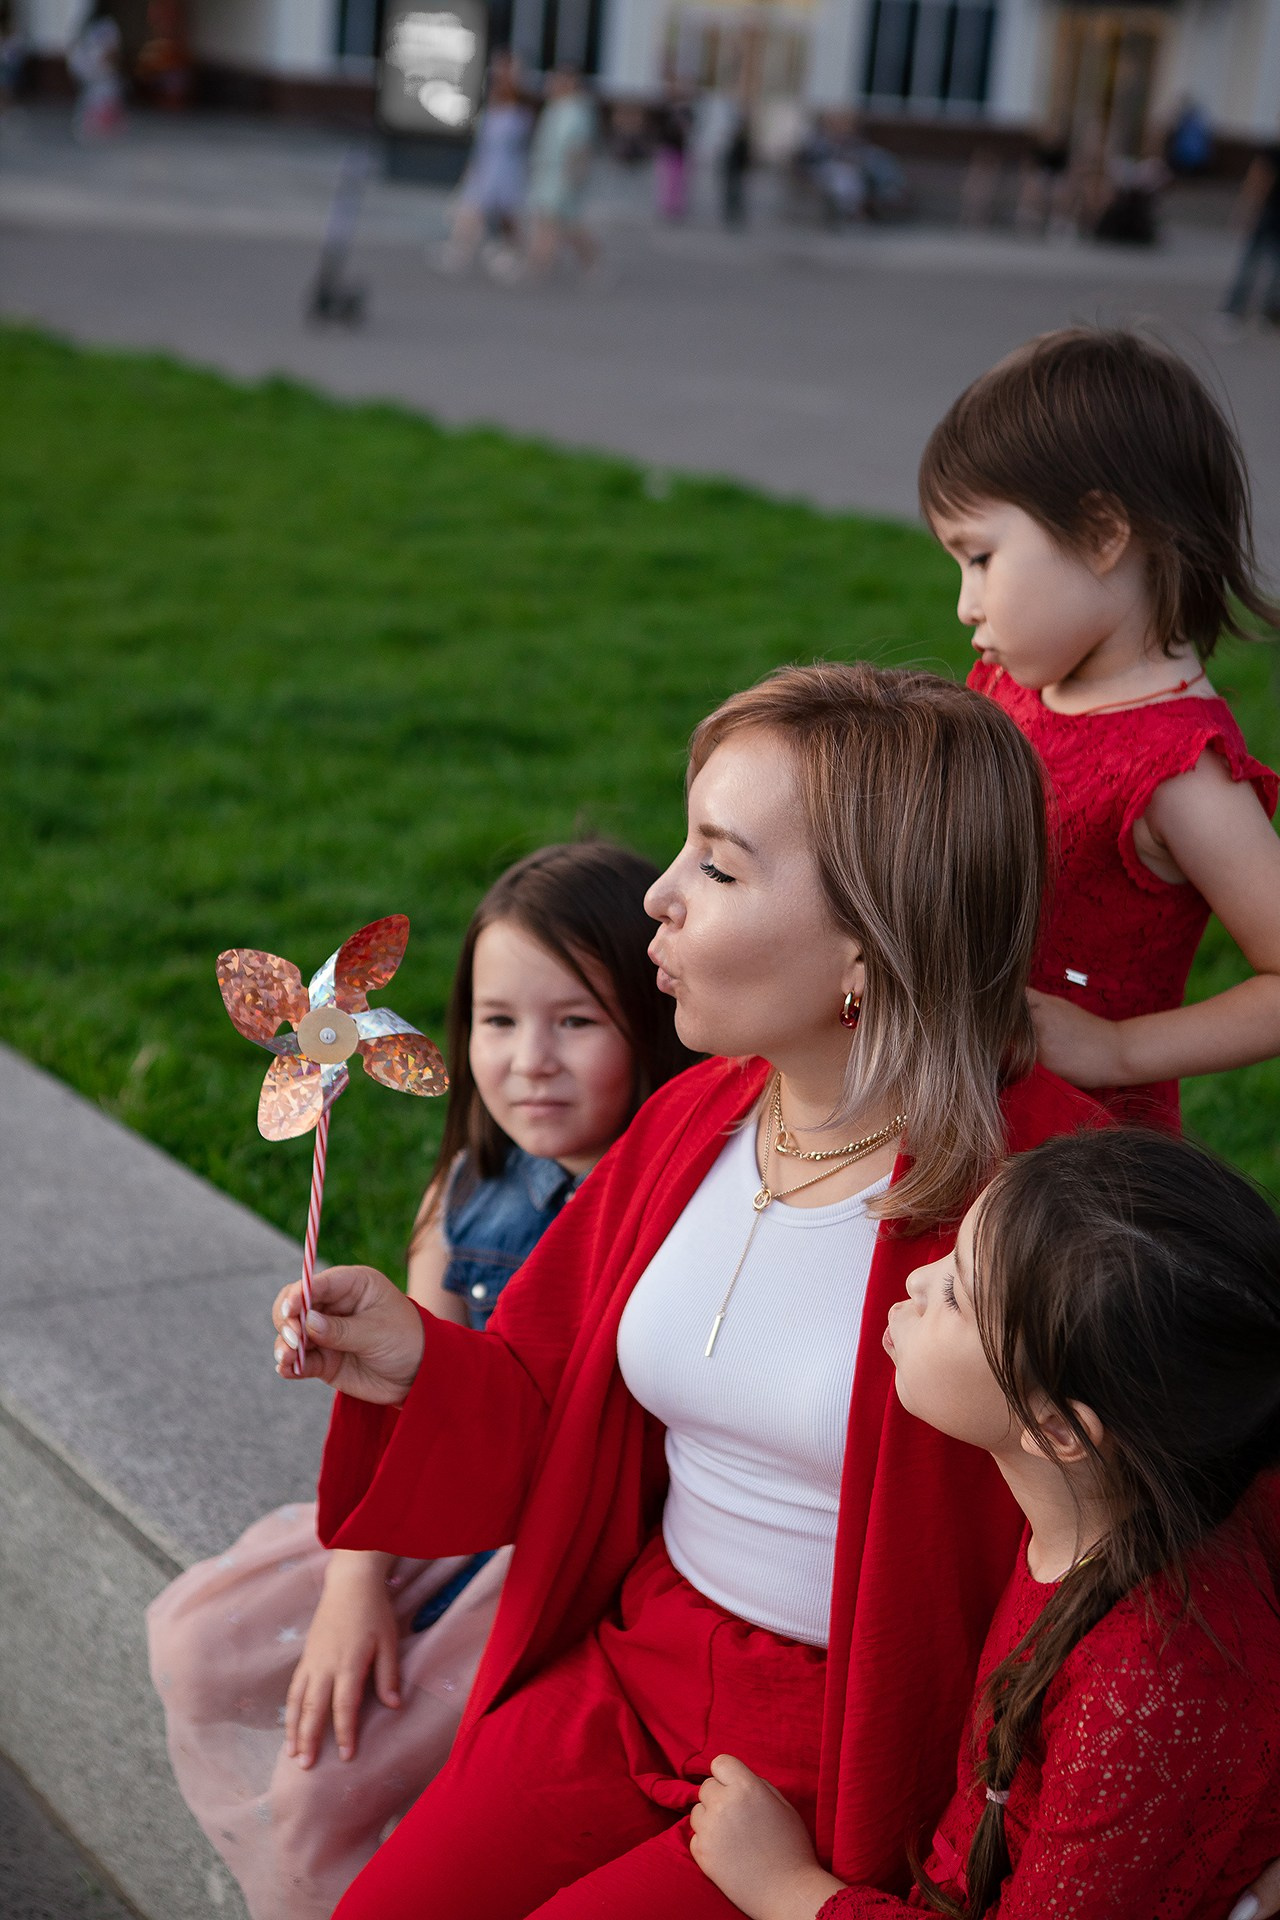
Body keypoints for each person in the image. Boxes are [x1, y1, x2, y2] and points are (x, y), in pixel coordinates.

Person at [269, 661, 1108, 1916]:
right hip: (634, 1660)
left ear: (870, 948)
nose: (655, 894)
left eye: (716, 867)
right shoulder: (694, 1121)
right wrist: (410, 1357)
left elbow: (1132, 1549)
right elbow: (552, 1407)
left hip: (844, 1744)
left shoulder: (1056, 1207)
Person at [147, 842, 695, 1920]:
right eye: (497, 1021)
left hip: (560, 1547)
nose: (528, 1059)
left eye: (576, 1022)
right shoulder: (465, 1192)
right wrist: (356, 1590)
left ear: (655, 1016)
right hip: (437, 1509)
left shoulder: (675, 1205)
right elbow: (394, 1405)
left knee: (342, 1767)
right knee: (202, 1645)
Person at [689, 1127, 1280, 1918]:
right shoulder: (1145, 1489)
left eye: (958, 1295)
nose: (918, 1276)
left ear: (1061, 1431)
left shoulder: (1143, 1688)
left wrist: (786, 1889)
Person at [920, 328, 1280, 1130]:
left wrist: (1119, 1049)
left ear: (1103, 534)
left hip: (1074, 1159)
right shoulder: (1011, 681)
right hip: (956, 1093)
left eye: (979, 558)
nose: (965, 604)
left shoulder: (1181, 772)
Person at [440, 54, 532, 275]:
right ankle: (461, 249)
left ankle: (513, 252)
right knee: (471, 210)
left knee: (506, 216)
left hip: (505, 171)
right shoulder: (491, 109)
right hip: (488, 169)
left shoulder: (516, 112)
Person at [526, 68, 598, 276]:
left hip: (561, 175)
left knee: (559, 221)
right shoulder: (556, 108)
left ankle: (541, 263)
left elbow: (578, 147)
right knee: (551, 219)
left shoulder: (575, 111)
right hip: (548, 173)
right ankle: (542, 261)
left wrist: (574, 176)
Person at [1221, 139, 1280, 327]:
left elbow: (1256, 181)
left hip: (1269, 214)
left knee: (1260, 263)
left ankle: (1267, 311)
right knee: (1252, 261)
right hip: (1268, 213)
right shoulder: (1271, 151)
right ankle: (1237, 308)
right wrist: (1246, 210)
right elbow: (1258, 181)